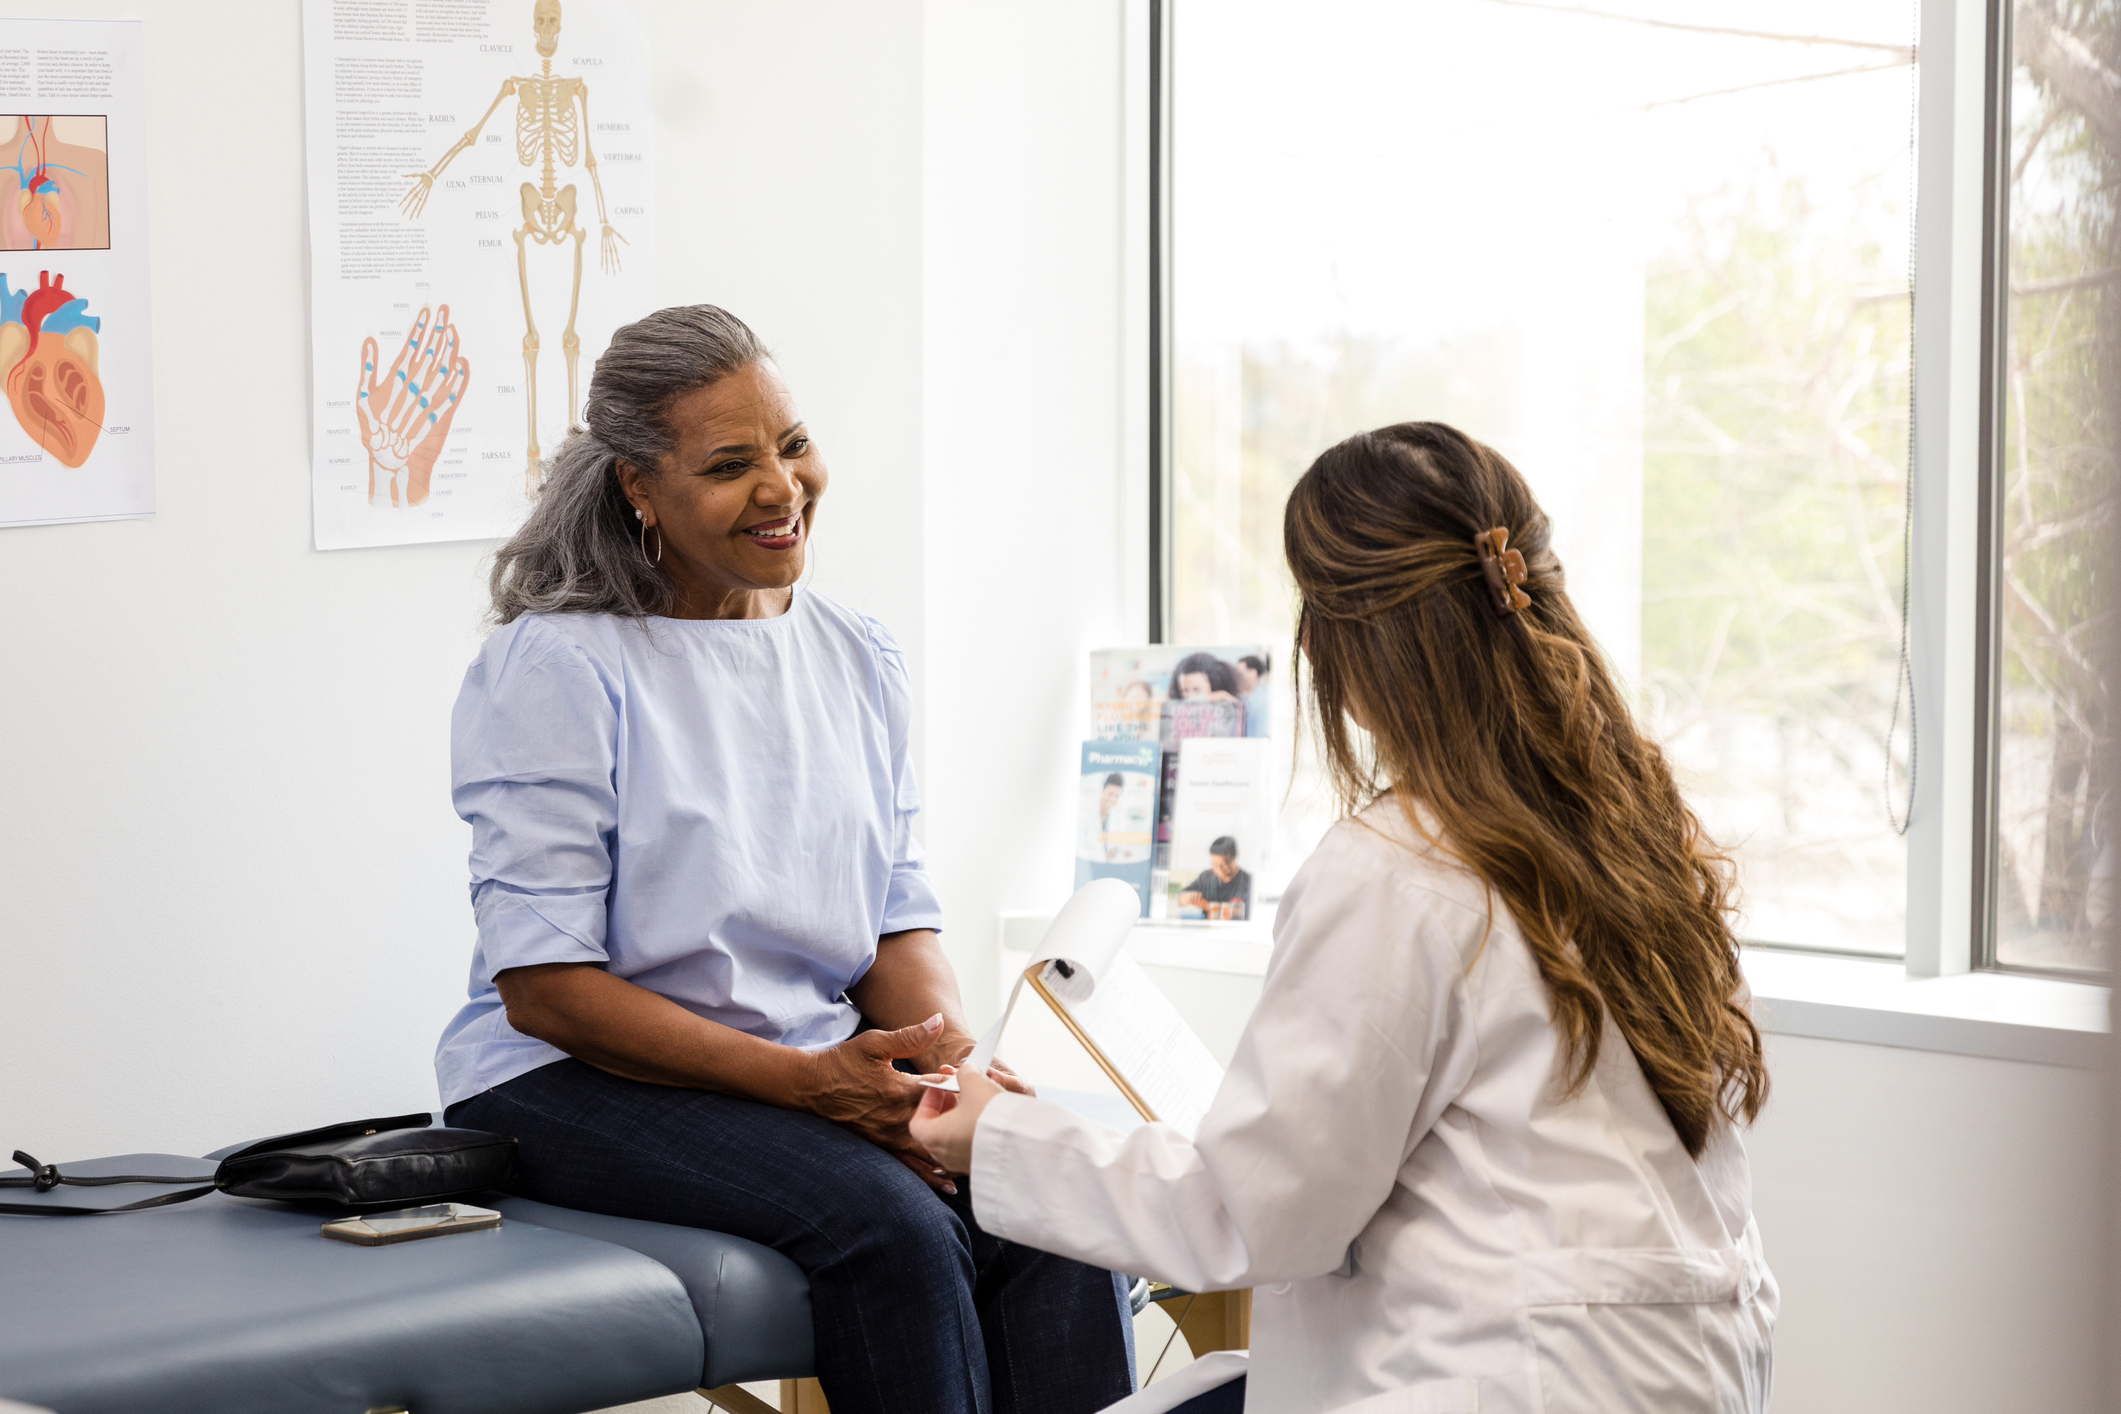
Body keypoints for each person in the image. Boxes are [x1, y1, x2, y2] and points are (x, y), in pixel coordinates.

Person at [915, 422, 1776, 1414]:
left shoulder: (1394, 867)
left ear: (1340, 640)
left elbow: (1252, 1214)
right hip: (1680, 1373)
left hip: (1508, 1378)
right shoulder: (1637, 833)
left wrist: (1001, 1134)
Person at [436, 305, 1135, 1414]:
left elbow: (894, 909)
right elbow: (546, 989)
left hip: (805, 1061)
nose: (782, 487)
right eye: (729, 465)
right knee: (892, 1228)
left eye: (793, 443)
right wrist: (813, 1088)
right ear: (638, 487)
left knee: (1040, 1191)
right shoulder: (561, 668)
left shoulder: (855, 653)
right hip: (567, 1085)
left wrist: (932, 1061)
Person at [1176, 836, 1250, 920]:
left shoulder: (1248, 882)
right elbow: (1180, 898)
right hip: (1207, 931)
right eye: (1215, 864)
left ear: (1236, 858)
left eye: (1224, 864)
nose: (1219, 869)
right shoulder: (1206, 877)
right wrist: (1188, 897)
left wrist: (1228, 911)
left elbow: (1252, 914)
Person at [1233, 654, 1271, 739]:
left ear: (1253, 673)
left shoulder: (1266, 697)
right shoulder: (1238, 698)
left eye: (1240, 673)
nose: (1237, 678)